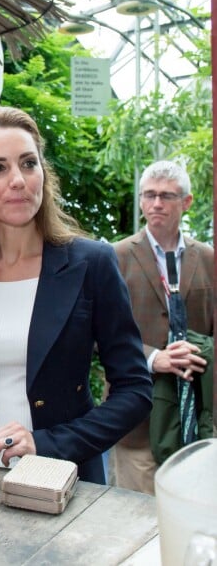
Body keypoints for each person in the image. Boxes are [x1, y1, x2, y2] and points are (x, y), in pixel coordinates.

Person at [0, 106, 153, 489]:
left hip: (67, 480)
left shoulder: (91, 263)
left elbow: (135, 391)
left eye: (28, 163)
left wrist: (46, 444)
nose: (18, 180)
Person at [111, 160, 213, 495]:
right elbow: (99, 336)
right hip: (137, 421)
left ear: (187, 202)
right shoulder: (116, 257)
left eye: (167, 196)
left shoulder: (209, 260)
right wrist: (155, 358)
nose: (156, 204)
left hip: (198, 420)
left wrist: (201, 352)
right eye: (150, 195)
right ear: (141, 200)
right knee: (137, 524)